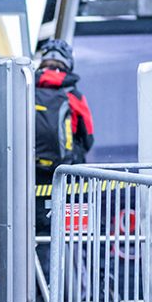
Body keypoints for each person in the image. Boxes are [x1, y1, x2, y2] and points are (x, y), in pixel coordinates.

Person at [33, 38, 94, 273]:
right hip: (67, 178)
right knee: (72, 233)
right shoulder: (72, 93)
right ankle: (73, 292)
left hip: (31, 178)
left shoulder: (26, 88)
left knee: (36, 235)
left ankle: (37, 293)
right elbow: (88, 137)